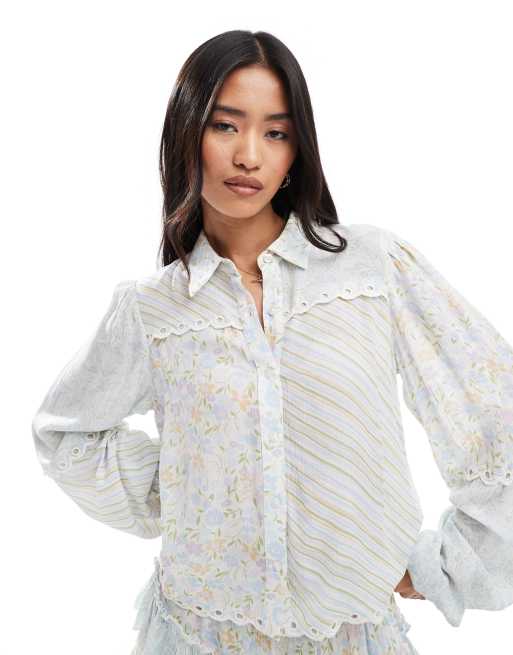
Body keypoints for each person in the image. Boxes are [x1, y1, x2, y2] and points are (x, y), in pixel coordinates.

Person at [31, 30, 513, 655]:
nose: (249, 155)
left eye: (276, 132)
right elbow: (64, 433)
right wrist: (185, 491)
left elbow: (493, 409)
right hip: (193, 636)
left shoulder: (372, 269)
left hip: (351, 638)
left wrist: (451, 564)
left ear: (296, 151)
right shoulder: (152, 309)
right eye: (225, 126)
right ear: (186, 134)